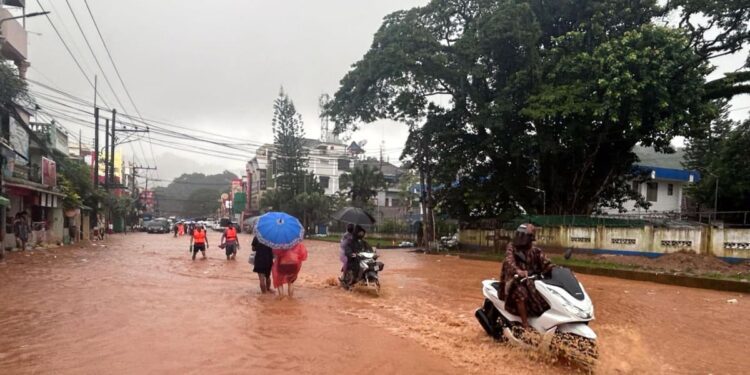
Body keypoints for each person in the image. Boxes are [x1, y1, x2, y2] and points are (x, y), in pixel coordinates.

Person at [499, 224, 554, 329]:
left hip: (531, 281)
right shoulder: (512, 247)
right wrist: (518, 271)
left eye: (524, 236)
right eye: (520, 235)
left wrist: (557, 270)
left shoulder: (536, 251)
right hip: (512, 282)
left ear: (531, 238)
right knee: (521, 292)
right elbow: (509, 261)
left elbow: (547, 263)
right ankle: (525, 324)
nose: (521, 238)